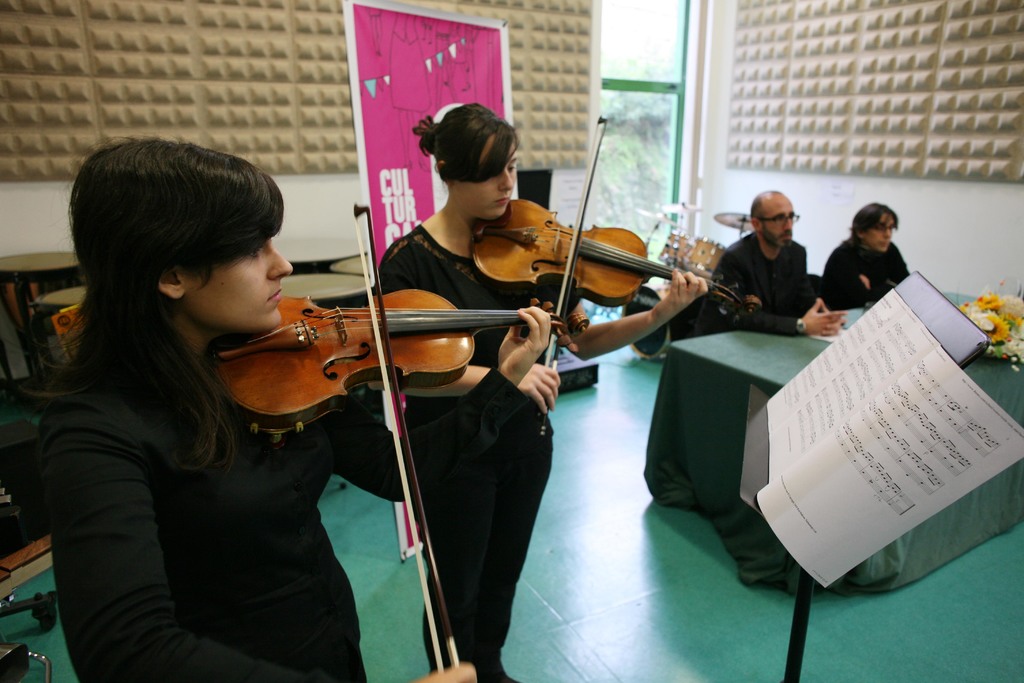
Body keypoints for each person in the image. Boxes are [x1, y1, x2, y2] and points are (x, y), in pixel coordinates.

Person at [37, 138, 559, 683]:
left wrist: (503, 380)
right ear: (172, 276)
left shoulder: (288, 363)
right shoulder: (93, 430)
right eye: (253, 249)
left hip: (333, 648)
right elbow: (127, 651)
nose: (281, 265)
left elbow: (392, 469)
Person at [377, 103, 708, 683]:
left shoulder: (528, 249)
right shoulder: (409, 264)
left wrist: (658, 316)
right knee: (454, 586)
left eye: (511, 166)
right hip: (455, 452)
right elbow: (406, 371)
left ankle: (491, 668)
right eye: (491, 173)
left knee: (502, 575)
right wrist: (504, 378)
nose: (508, 184)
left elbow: (582, 339)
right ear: (449, 173)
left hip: (527, 443)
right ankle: (454, 675)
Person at [692, 190, 847, 337]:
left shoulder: (797, 253)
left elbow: (805, 301)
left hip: (766, 338)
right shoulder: (735, 257)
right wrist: (799, 325)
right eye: (779, 218)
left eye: (791, 217)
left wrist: (825, 318)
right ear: (757, 224)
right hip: (720, 340)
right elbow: (739, 315)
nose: (788, 226)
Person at [820, 202, 909, 310]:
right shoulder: (842, 256)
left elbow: (908, 287)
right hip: (842, 315)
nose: (888, 234)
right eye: (880, 228)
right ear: (860, 231)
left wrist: (879, 288)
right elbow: (864, 300)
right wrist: (892, 287)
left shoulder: (890, 250)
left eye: (890, 228)